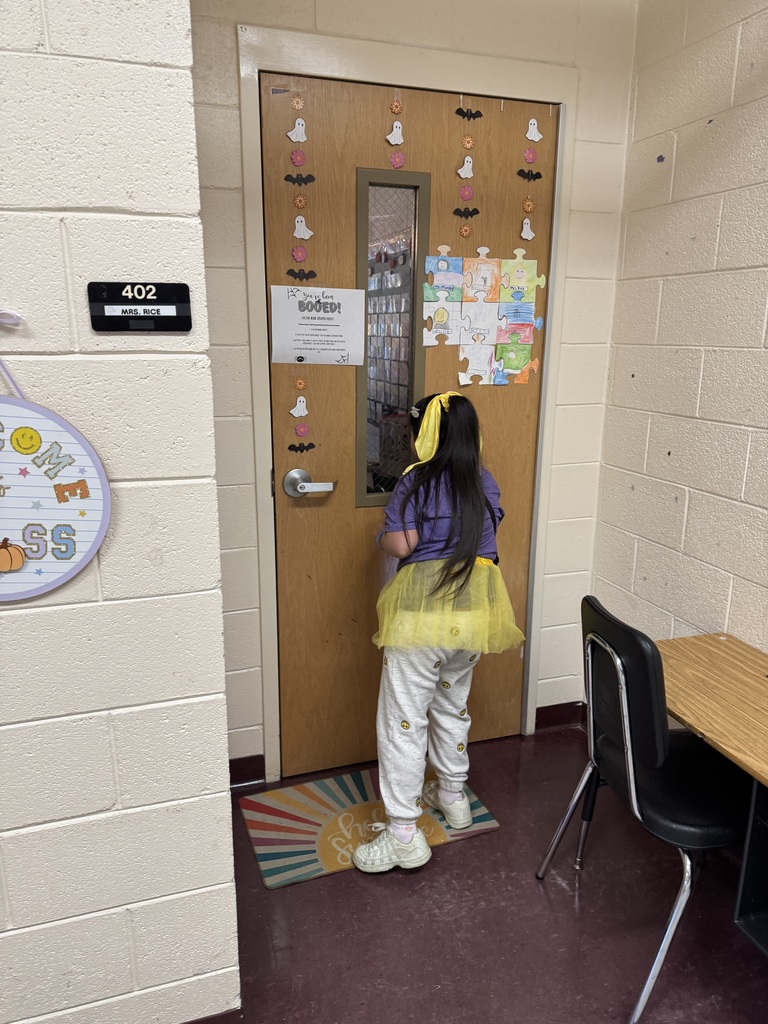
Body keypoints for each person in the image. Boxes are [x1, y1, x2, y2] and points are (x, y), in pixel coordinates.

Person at [353, 392, 524, 874]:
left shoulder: (415, 480)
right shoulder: (484, 481)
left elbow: (403, 544)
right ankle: (454, 797)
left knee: (404, 721)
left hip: (422, 621)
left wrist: (380, 537)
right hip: (474, 618)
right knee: (453, 705)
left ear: (422, 434)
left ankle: (404, 835)